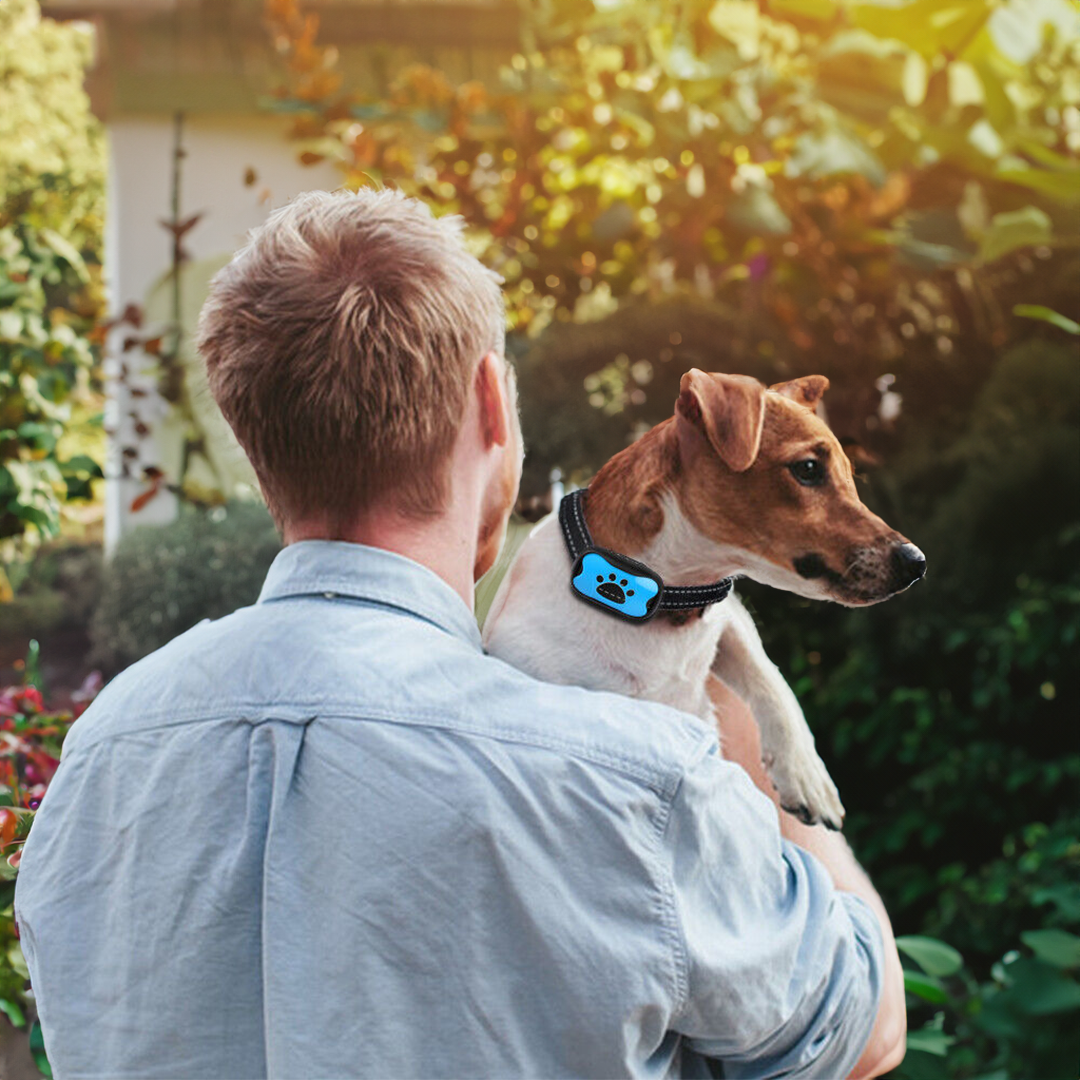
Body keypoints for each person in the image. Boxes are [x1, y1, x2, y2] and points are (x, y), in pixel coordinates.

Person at [15, 188, 905, 1079]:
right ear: (493, 406)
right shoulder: (633, 779)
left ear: (256, 445)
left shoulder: (100, 758)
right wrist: (756, 749)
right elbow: (864, 1030)